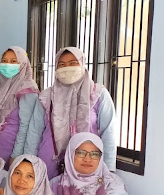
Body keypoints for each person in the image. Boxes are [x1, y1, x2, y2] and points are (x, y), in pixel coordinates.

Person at [24, 46, 116, 178]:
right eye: (62, 65)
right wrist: (28, 162)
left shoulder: (98, 94)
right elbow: (34, 131)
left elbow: (108, 132)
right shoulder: (46, 96)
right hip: (49, 165)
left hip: (86, 163)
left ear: (82, 64)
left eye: (73, 63)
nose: (67, 68)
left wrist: (109, 169)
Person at [0, 47, 39, 166]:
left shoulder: (27, 89)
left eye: (13, 61)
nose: (8, 65)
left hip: (12, 152)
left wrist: (16, 155)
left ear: (23, 64)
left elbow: (26, 127)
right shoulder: (1, 87)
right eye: (4, 61)